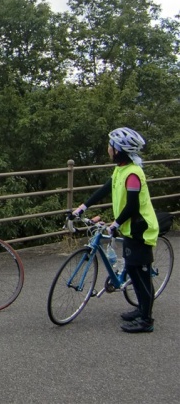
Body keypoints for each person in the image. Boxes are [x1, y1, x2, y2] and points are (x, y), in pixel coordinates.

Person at [70, 127, 159, 333]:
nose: (108, 149)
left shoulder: (134, 174)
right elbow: (105, 189)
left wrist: (115, 224)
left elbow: (133, 206)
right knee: (134, 272)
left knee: (141, 275)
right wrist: (83, 207)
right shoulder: (121, 169)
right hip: (130, 228)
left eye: (110, 145)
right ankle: (141, 311)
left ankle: (147, 320)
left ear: (118, 149)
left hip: (141, 230)